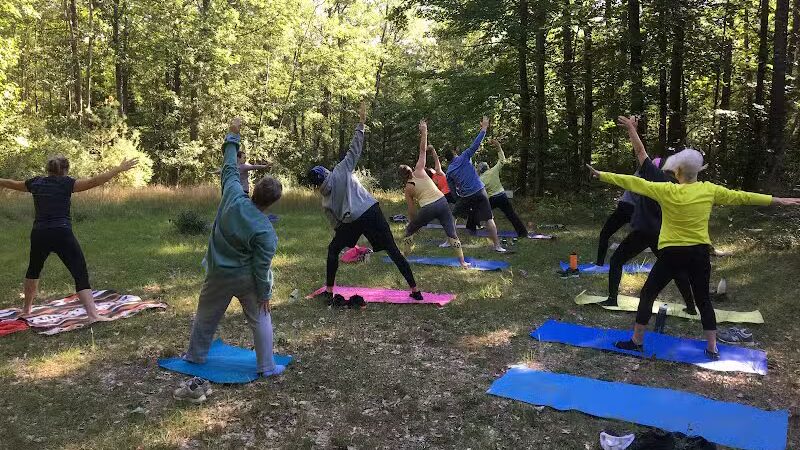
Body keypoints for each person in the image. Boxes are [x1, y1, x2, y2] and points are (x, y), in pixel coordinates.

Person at [587, 153, 800, 359]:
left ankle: (636, 342)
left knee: (648, 294)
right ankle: (712, 348)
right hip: (699, 254)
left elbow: (634, 183)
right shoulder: (709, 190)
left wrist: (602, 174)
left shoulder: (667, 190)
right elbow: (743, 196)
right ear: (698, 172)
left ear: (677, 172)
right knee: (704, 301)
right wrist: (778, 200)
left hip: (672, 253)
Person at [180, 117, 285, 392]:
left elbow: (228, 165)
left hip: (217, 273)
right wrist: (265, 294)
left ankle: (195, 355)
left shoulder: (231, 194)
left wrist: (233, 135)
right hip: (246, 278)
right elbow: (262, 268)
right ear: (272, 202)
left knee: (206, 315)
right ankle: (267, 366)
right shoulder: (266, 231)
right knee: (260, 317)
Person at [0, 155, 139, 323]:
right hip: (61, 232)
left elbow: (10, 183)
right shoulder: (67, 183)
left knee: (33, 269)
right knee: (79, 271)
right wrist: (118, 169)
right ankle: (93, 316)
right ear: (65, 170)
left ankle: (27, 310)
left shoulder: (35, 183)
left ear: (48, 170)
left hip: (39, 233)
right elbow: (94, 181)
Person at [307, 102, 423, 301]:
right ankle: (415, 290)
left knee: (333, 250)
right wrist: (361, 123)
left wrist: (347, 236)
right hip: (370, 212)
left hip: (350, 221)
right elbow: (355, 149)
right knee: (392, 250)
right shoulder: (340, 170)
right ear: (325, 172)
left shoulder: (325, 199)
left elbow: (335, 223)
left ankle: (328, 291)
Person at [600, 116, 697, 315]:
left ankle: (611, 299)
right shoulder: (679, 185)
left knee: (617, 260)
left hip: (644, 231)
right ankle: (691, 307)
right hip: (663, 233)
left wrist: (630, 129)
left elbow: (640, 151)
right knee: (676, 269)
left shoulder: (655, 176)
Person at [399, 120, 470, 268]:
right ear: (411, 170)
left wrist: (414, 224)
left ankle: (404, 257)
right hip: (442, 202)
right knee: (451, 234)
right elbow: (423, 150)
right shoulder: (419, 169)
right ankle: (463, 262)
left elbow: (412, 211)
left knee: (409, 232)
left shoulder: (408, 188)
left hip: (428, 208)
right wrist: (424, 131)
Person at [444, 116, 506, 252]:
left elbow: (452, 189)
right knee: (489, 218)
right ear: (455, 153)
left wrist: (457, 199)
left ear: (447, 160)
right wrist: (484, 128)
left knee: (452, 217)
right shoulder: (465, 156)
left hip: (466, 196)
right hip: (479, 191)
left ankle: (450, 242)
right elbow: (476, 144)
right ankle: (497, 246)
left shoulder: (449, 171)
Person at [473, 139, 528, 238]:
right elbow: (502, 160)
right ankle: (523, 233)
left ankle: (476, 227)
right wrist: (498, 147)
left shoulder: (480, 179)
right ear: (488, 167)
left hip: (492, 199)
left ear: (479, 170)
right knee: (511, 215)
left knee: (480, 211)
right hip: (502, 196)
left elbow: (478, 191)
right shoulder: (493, 170)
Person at [595, 184, 636, 266]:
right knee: (647, 238)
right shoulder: (655, 176)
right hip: (635, 210)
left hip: (626, 208)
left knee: (604, 234)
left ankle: (599, 263)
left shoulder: (643, 173)